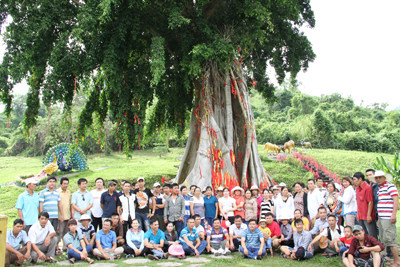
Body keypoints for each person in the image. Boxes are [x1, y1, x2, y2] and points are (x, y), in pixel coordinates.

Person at [375, 170, 400, 266]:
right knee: (385, 239)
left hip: (388, 217)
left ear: (384, 178)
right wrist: (380, 218)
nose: (378, 179)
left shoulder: (390, 186)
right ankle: (394, 260)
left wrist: (393, 214)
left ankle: (397, 261)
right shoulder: (380, 188)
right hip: (382, 217)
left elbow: (396, 200)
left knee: (391, 240)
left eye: (380, 177)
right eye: (376, 178)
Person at [352, 172, 378, 239]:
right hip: (361, 215)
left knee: (372, 234)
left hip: (367, 215)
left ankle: (376, 247)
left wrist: (369, 215)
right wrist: (358, 213)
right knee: (364, 234)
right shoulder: (358, 189)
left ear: (360, 179)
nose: (354, 181)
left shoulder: (367, 188)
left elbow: (370, 202)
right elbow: (358, 202)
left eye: (355, 179)